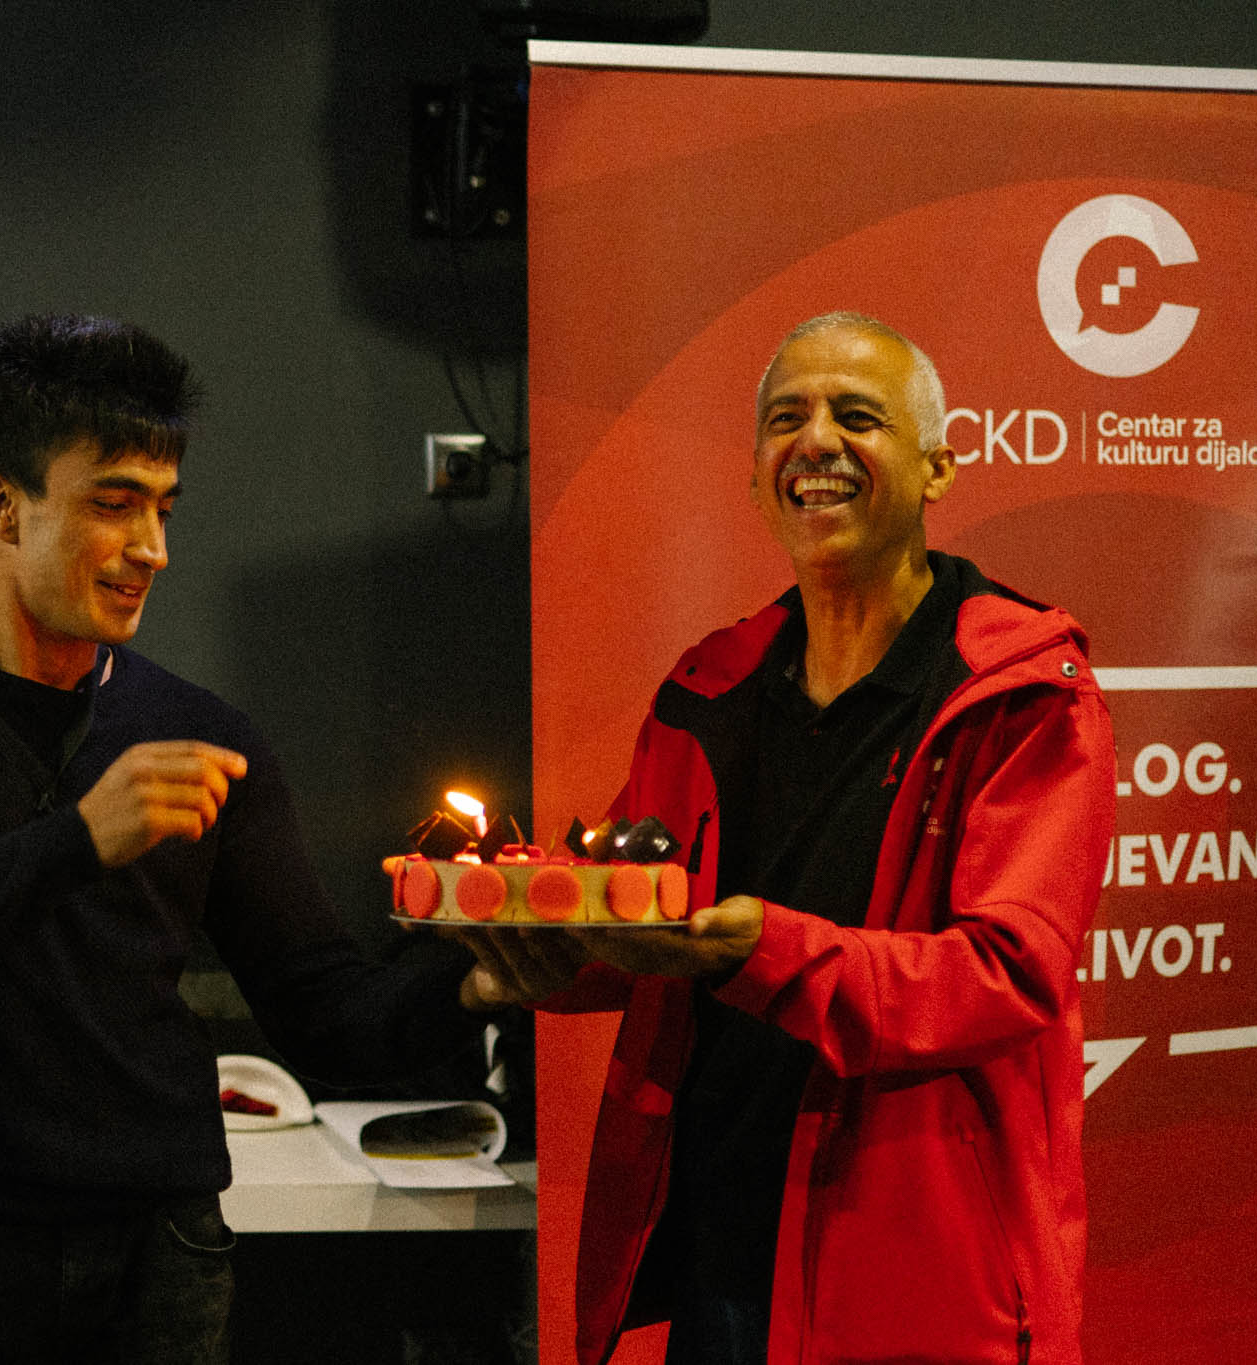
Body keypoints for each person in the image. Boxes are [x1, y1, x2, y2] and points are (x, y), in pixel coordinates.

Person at [0, 313, 496, 1364]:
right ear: (1, 506)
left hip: (165, 1247)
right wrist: (75, 840)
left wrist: (478, 981)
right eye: (114, 504)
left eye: (162, 506)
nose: (152, 547)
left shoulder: (202, 735)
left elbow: (326, 1010)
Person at [461, 312, 1115, 1363]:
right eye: (784, 419)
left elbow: (1002, 977)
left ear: (938, 468)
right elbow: (649, 930)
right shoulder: (706, 687)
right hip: (720, 1253)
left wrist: (755, 948)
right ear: (757, 476)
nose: (815, 442)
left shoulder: (1022, 696)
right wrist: (544, 957)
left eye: (857, 416)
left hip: (916, 1274)